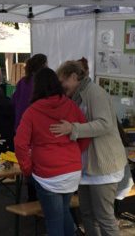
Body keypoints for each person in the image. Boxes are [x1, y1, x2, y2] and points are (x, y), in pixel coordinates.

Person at [52, 61, 128, 236]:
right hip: (88, 167)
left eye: (63, 81)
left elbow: (105, 124)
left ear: (73, 77)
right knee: (87, 215)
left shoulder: (94, 93)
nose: (62, 87)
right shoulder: (77, 96)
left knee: (104, 218)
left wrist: (73, 128)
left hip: (103, 167)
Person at [14, 68, 89, 236]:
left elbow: (20, 143)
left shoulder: (32, 111)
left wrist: (27, 169)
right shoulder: (70, 105)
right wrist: (75, 153)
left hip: (47, 174)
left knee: (54, 221)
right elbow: (85, 134)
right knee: (62, 212)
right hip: (72, 171)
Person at [12, 54, 47, 131]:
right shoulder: (43, 82)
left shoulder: (22, 82)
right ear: (43, 66)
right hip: (36, 125)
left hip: (21, 124)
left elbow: (14, 102)